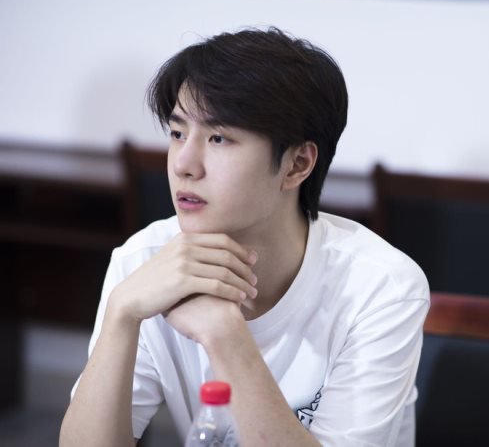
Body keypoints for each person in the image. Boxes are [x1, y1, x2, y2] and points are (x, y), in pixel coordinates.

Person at [60, 27, 429, 447]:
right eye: (178, 133)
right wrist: (121, 312)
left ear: (297, 164)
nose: (183, 164)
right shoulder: (145, 262)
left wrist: (225, 335)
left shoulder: (381, 288)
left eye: (219, 138)